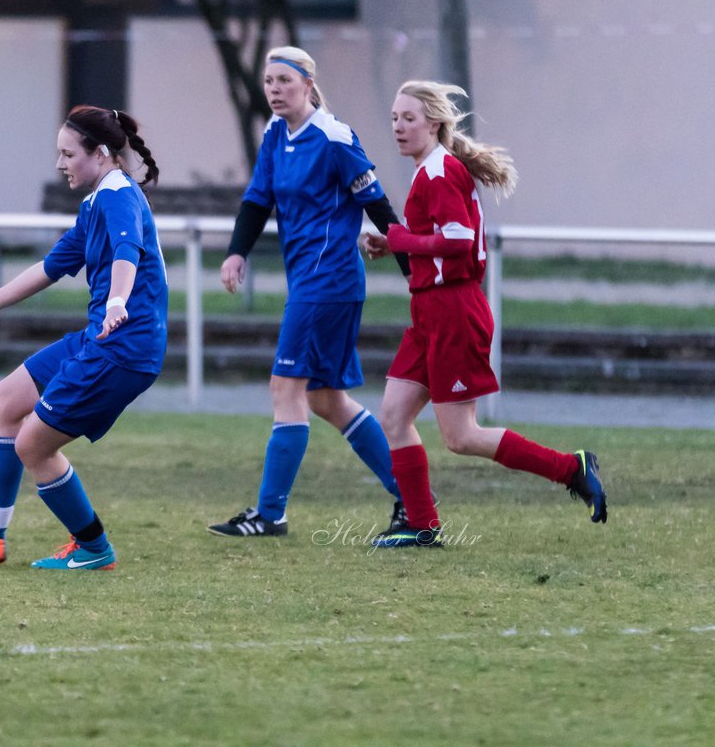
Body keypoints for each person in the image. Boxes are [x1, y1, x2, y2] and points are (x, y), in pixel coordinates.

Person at [363, 80, 607, 548]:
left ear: (433, 124)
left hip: (454, 310)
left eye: (408, 118)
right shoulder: (428, 170)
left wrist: (398, 239)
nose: (398, 126)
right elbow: (440, 242)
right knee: (394, 415)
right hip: (429, 311)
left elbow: (456, 242)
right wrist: (393, 243)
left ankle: (571, 468)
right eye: (394, 118)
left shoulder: (439, 171)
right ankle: (421, 525)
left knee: (460, 436)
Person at [0, 105, 167, 570]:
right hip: (99, 338)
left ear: (101, 154)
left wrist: (117, 301)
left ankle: (93, 548)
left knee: (33, 445)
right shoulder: (95, 204)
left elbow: (129, 249)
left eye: (68, 154)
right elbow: (50, 267)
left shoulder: (117, 195)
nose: (60, 163)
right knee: (5, 400)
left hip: (123, 347)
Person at [207, 46, 411, 539]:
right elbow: (258, 201)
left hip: (330, 281)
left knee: (285, 389)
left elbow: (382, 210)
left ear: (308, 83)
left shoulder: (335, 138)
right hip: (310, 282)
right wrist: (237, 253)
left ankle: (269, 514)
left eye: (283, 80)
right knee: (325, 400)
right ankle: (412, 498)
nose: (274, 90)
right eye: (268, 81)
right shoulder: (276, 134)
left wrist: (415, 277)